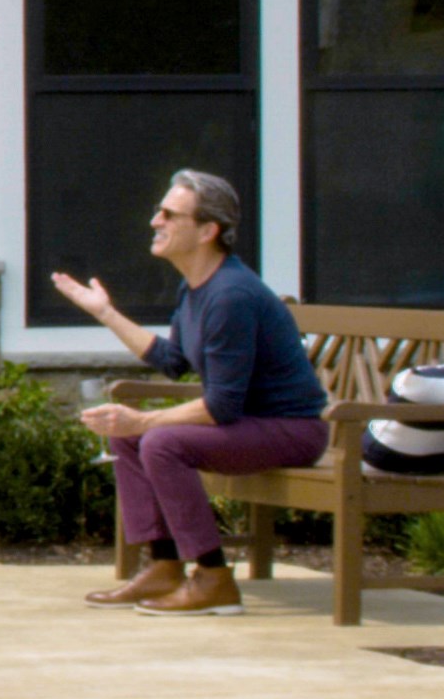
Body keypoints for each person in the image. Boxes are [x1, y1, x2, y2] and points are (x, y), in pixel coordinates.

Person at [56, 169, 329, 616]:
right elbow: (173, 361)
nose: (154, 221)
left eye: (169, 214)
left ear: (208, 230)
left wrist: (143, 420)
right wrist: (105, 313)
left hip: (292, 430)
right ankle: (164, 566)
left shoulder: (231, 296)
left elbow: (222, 406)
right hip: (250, 425)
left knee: (161, 441)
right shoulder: (197, 288)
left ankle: (212, 578)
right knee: (129, 436)